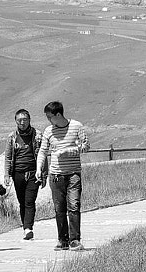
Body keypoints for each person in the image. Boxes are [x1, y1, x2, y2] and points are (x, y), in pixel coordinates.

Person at [36, 100, 89, 251]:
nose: (48, 120)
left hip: (73, 174)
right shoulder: (48, 131)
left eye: (49, 117)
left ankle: (75, 240)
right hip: (56, 175)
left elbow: (86, 146)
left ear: (58, 114)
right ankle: (62, 240)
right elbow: (42, 151)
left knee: (74, 205)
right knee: (59, 208)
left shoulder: (76, 126)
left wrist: (68, 151)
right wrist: (38, 168)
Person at [5, 109, 41, 241]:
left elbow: (43, 155)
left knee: (30, 201)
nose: (22, 122)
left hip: (33, 173)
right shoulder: (12, 137)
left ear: (29, 120)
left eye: (25, 120)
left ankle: (28, 228)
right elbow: (8, 157)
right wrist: (6, 175)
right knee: (22, 202)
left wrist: (44, 173)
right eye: (19, 120)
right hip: (17, 173)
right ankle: (25, 227)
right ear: (15, 121)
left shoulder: (37, 135)